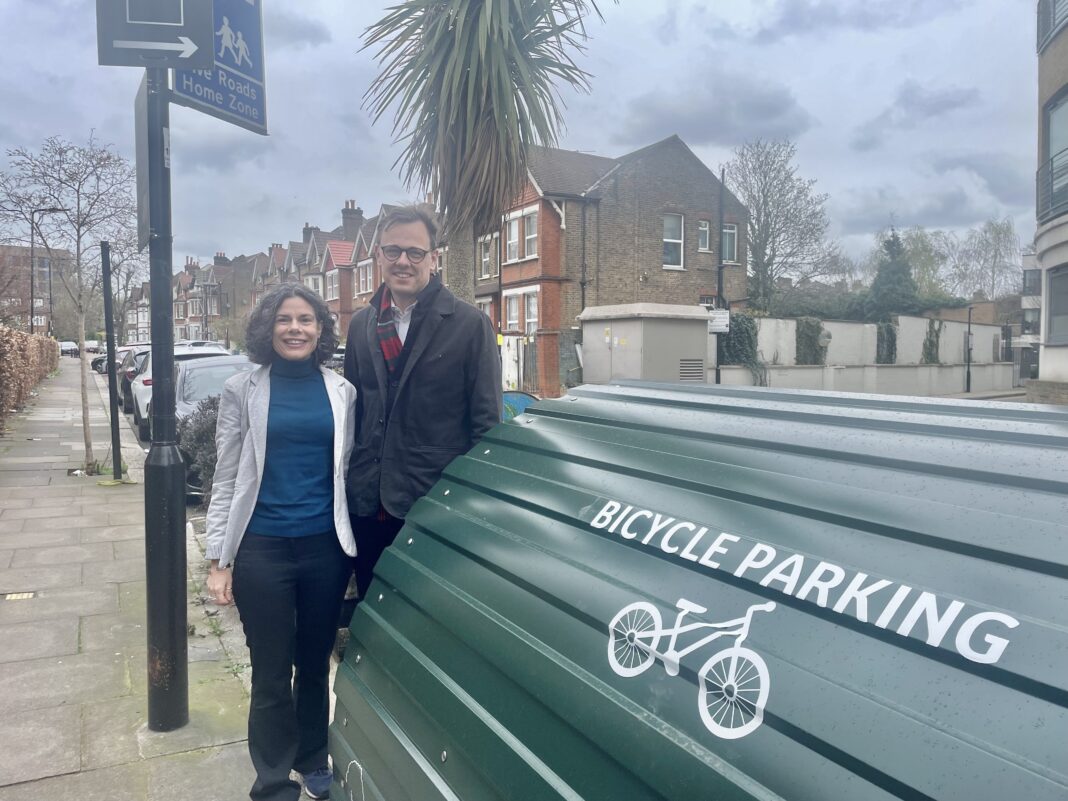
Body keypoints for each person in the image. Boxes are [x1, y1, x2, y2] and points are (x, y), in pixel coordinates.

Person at [206, 283, 357, 801]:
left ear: (321, 330)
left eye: (306, 320)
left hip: (324, 550)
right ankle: (272, 781)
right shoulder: (241, 389)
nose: (296, 328)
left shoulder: (342, 392)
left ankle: (313, 758)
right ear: (268, 329)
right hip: (262, 549)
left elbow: (345, 470)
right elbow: (226, 477)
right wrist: (219, 560)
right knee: (271, 672)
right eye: (285, 320)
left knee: (315, 665)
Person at [344, 204, 501, 602]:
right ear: (378, 255)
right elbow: (352, 413)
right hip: (367, 502)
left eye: (415, 252)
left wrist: (473, 508)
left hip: (432, 507)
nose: (403, 261)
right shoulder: (361, 325)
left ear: (434, 257)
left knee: (426, 619)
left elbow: (486, 426)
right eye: (393, 251)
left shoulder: (469, 325)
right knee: (371, 616)